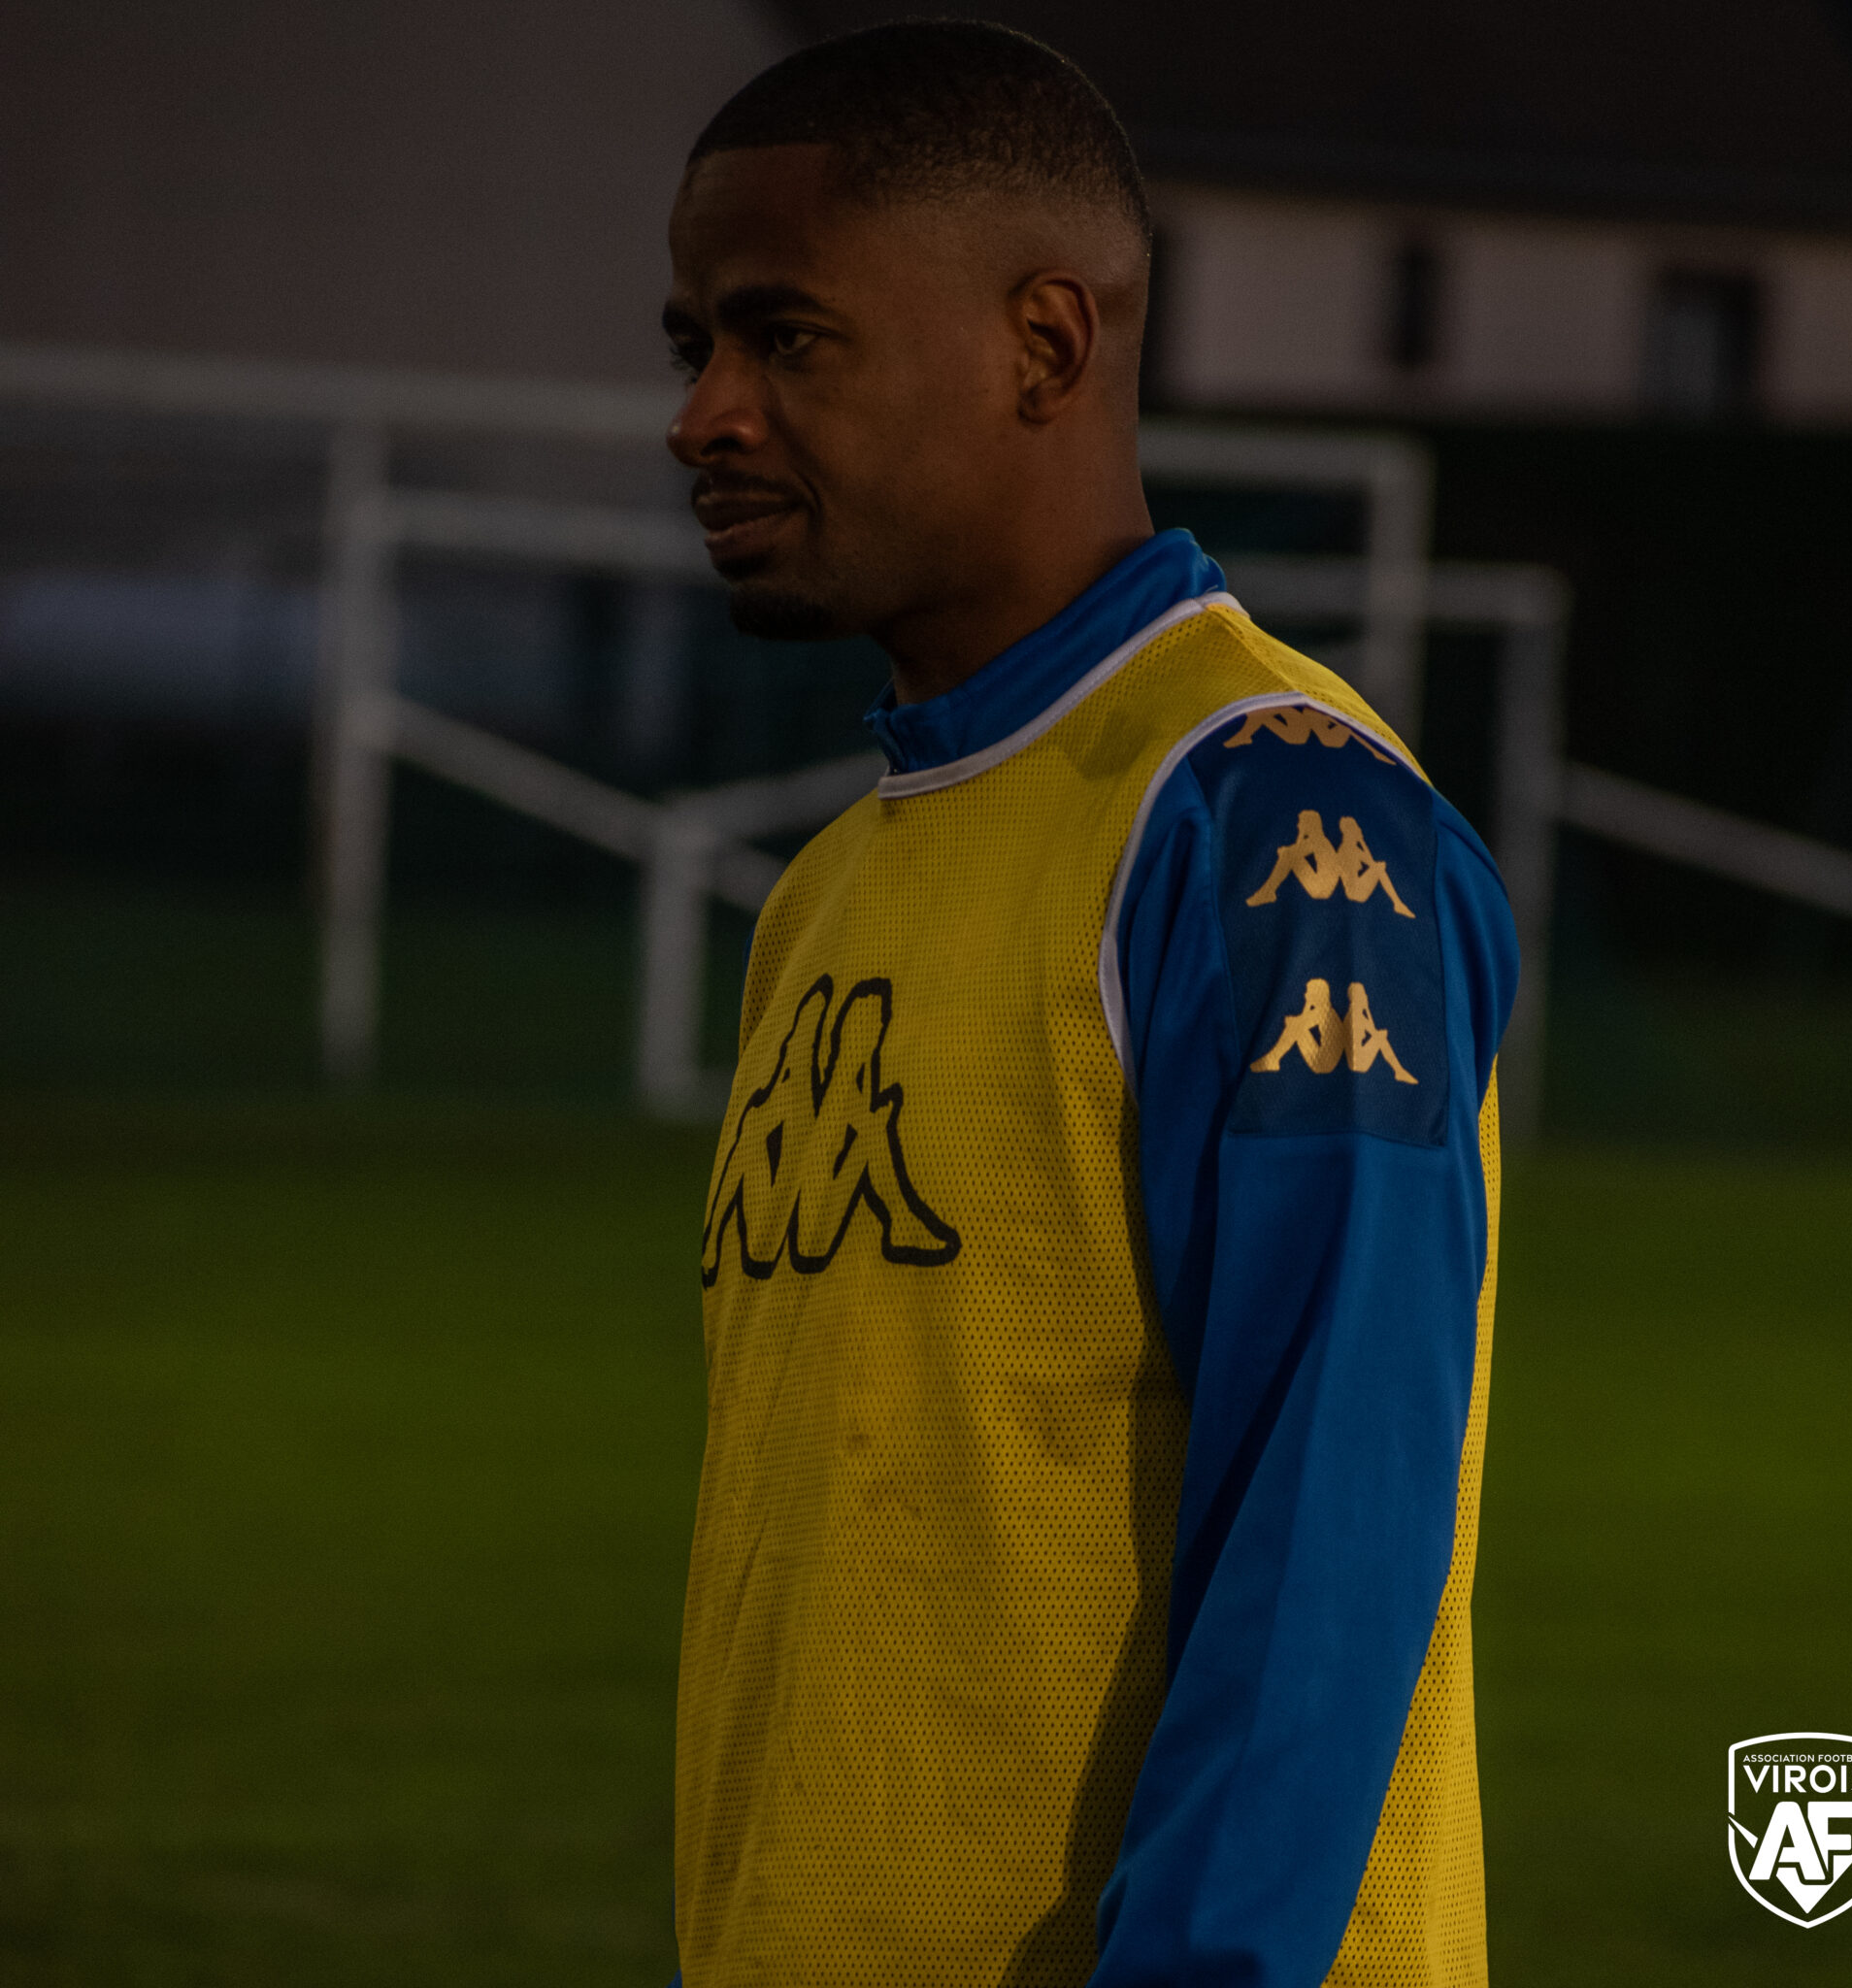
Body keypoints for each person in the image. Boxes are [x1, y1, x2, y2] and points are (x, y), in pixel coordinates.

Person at [662, 21, 1517, 1986]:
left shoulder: (1272, 819)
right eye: (692, 344)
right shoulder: (824, 892)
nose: (705, 413)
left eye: (785, 338)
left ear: (1045, 345)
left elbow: (1330, 1522)